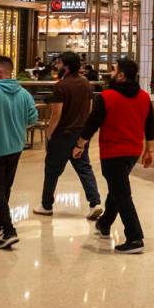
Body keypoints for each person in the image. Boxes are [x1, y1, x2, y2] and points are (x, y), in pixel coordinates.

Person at [73, 58, 154, 254]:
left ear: (121, 75)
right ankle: (104, 224)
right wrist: (149, 150)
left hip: (113, 152)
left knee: (122, 193)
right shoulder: (144, 97)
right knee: (117, 188)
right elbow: (150, 125)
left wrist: (80, 144)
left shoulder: (107, 97)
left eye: (113, 70)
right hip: (133, 152)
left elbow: (92, 123)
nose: (110, 72)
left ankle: (135, 238)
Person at [0, 55, 38, 249]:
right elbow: (32, 119)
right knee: (4, 188)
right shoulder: (24, 94)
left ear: (0, 72)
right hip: (16, 147)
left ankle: (9, 230)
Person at [34, 51, 103, 219]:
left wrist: (49, 133)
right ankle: (95, 203)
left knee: (52, 170)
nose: (56, 66)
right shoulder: (86, 84)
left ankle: (46, 204)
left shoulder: (61, 86)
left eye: (59, 63)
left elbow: (56, 115)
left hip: (62, 134)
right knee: (84, 168)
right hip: (80, 133)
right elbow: (89, 109)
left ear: (66, 66)